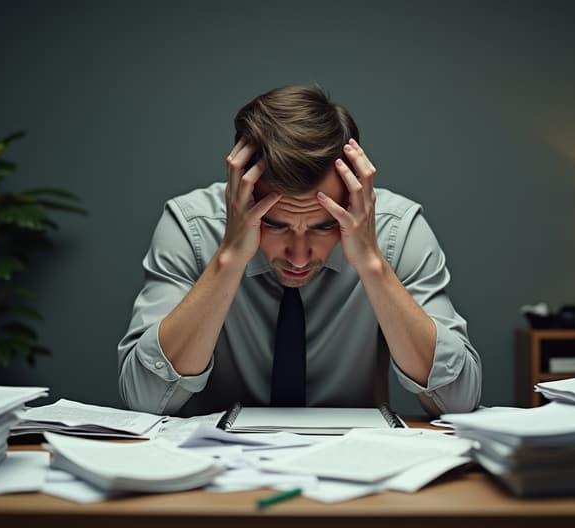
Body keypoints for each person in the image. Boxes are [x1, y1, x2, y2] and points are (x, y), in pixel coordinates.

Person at [117, 85, 481, 417]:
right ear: (242, 192)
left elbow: (456, 400)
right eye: (274, 224)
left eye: (325, 225)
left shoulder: (396, 229)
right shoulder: (191, 226)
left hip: (354, 472)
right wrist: (229, 258)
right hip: (213, 471)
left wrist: (372, 264)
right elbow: (146, 399)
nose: (299, 257)